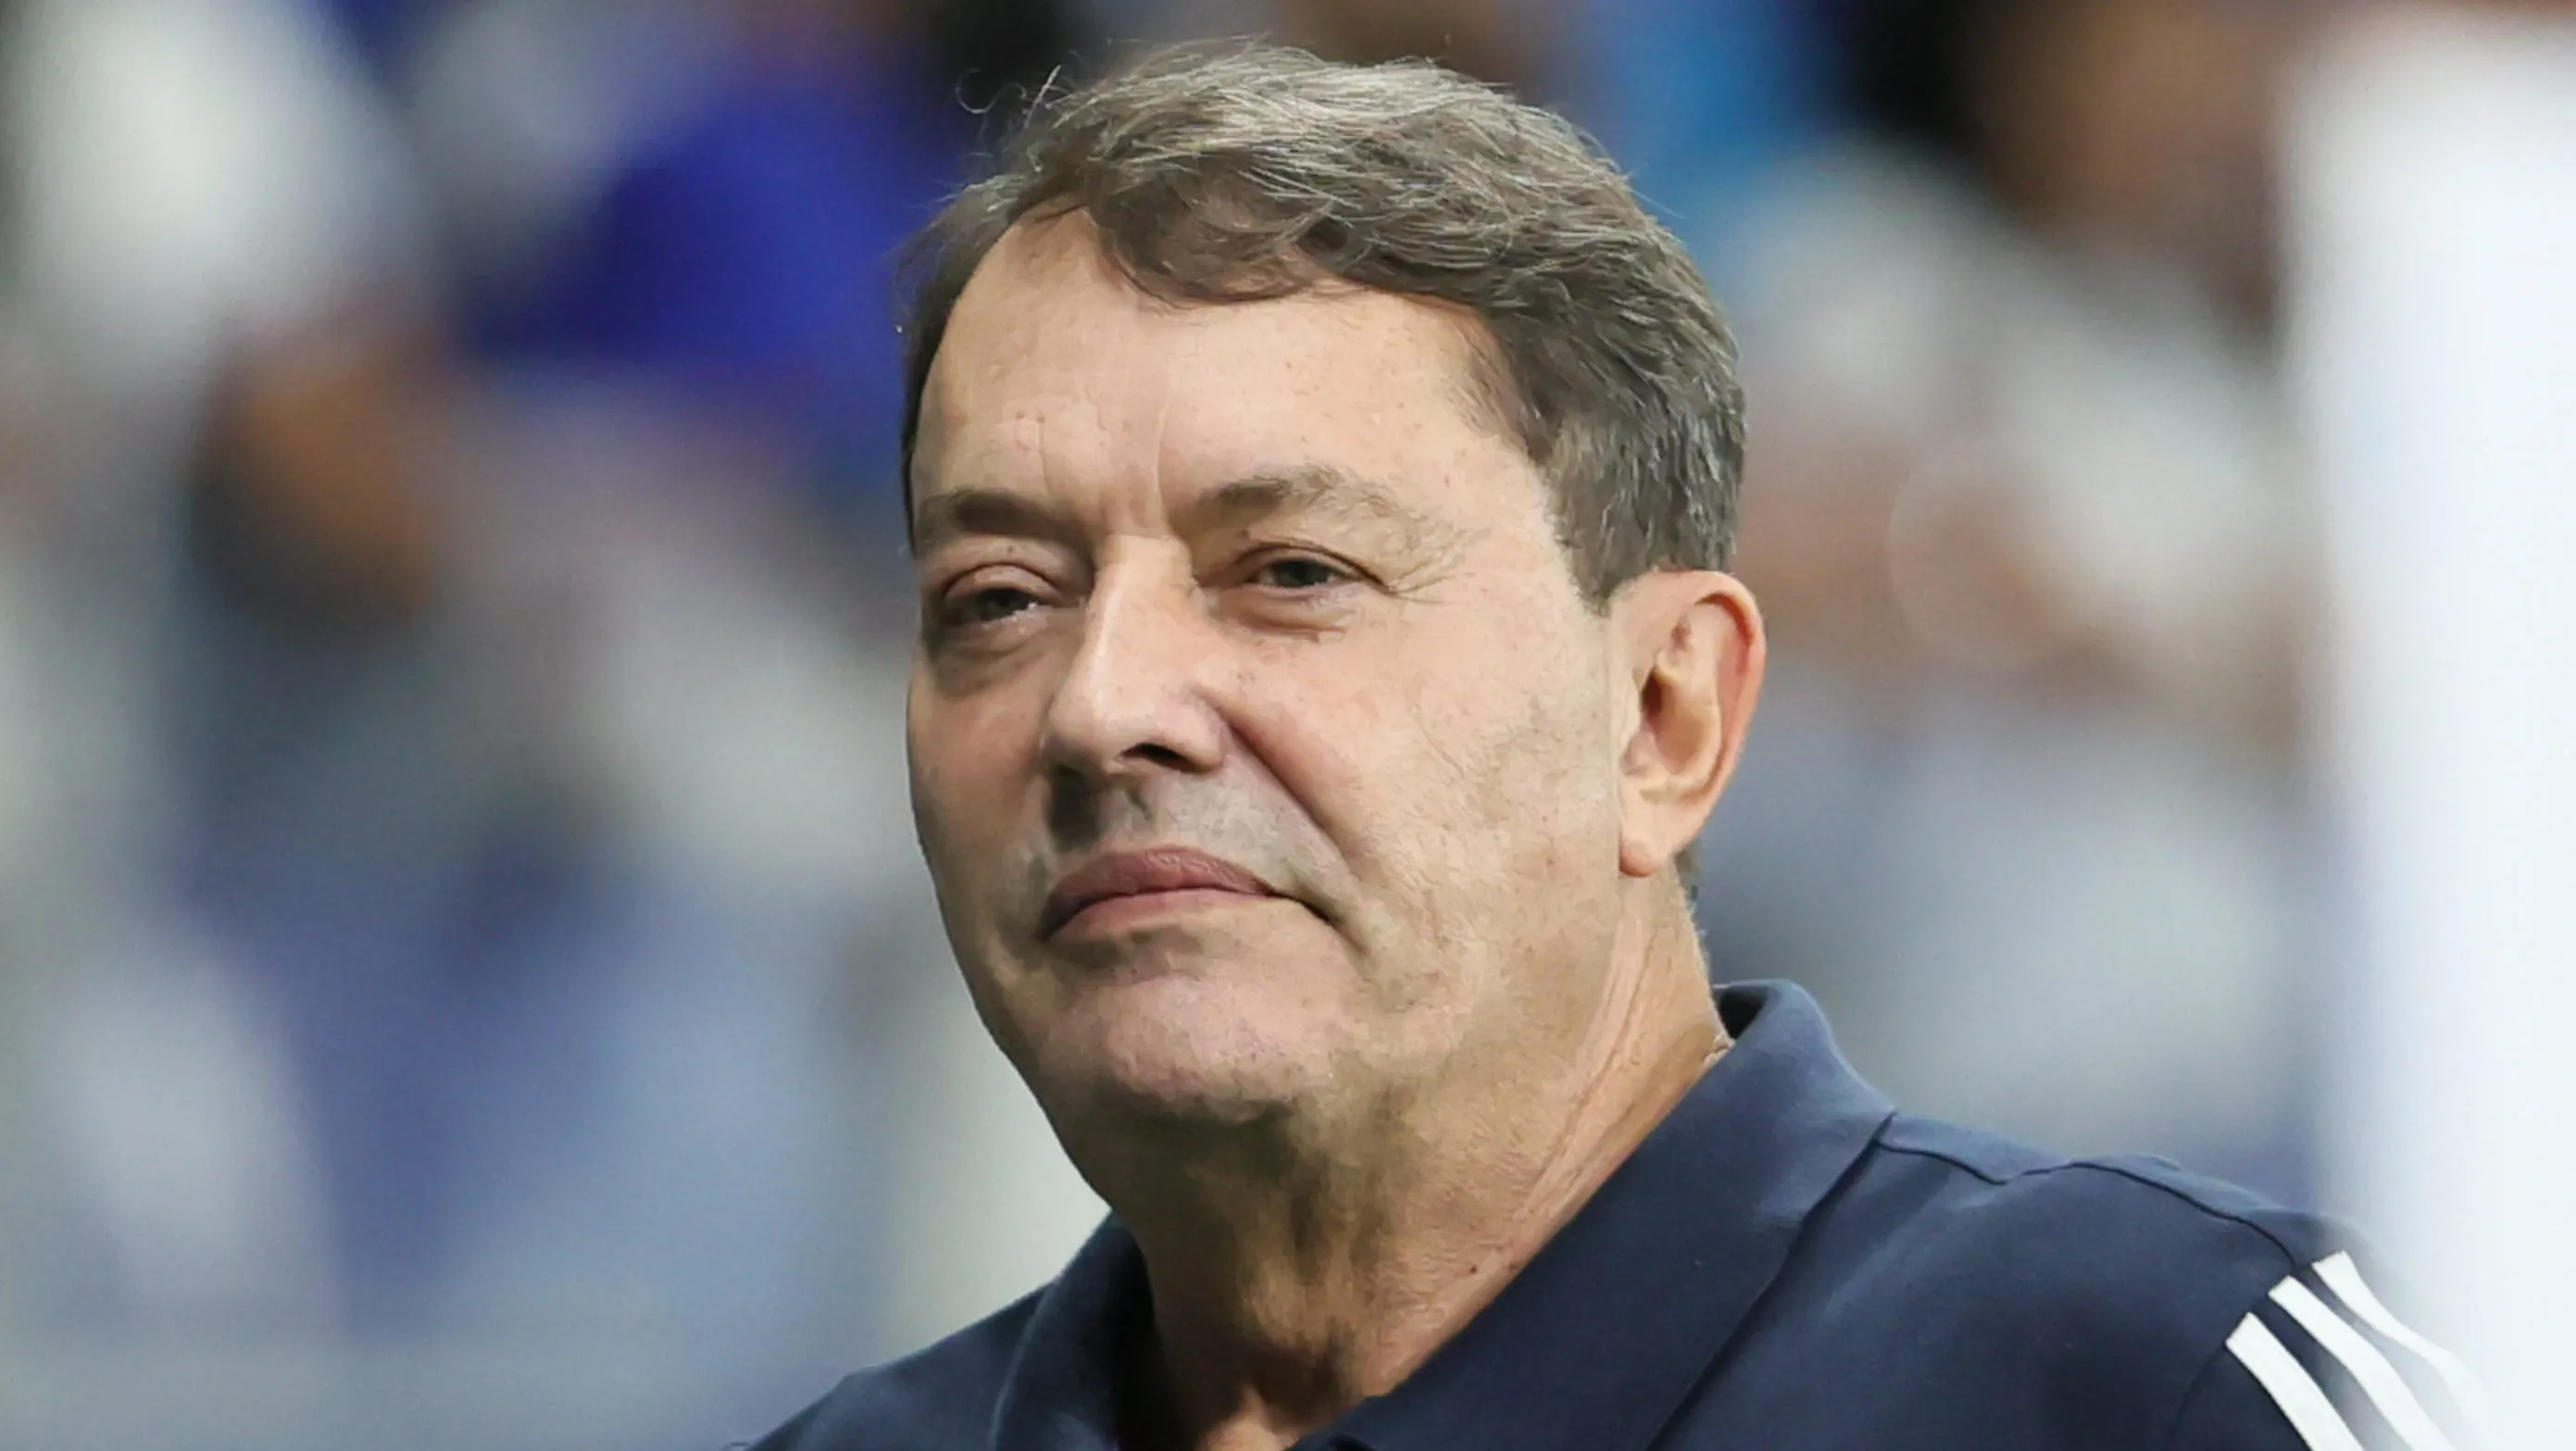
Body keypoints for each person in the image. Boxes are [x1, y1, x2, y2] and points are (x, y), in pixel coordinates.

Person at [752, 44, 2470, 1451]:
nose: (1098, 701)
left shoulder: (2156, 1382)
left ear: (1665, 714)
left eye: (1289, 573)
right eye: (994, 598)